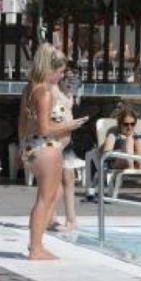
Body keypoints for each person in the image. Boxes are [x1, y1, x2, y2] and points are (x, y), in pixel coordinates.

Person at [18, 43, 88, 260]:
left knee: (54, 194)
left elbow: (23, 122)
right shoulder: (44, 93)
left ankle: (36, 240)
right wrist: (70, 125)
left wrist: (22, 147)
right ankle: (35, 247)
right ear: (49, 69)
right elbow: (45, 129)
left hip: (32, 146)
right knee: (45, 198)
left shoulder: (29, 88)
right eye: (59, 72)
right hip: (45, 148)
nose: (61, 76)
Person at [49, 68, 81, 233]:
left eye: (73, 78)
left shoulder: (69, 94)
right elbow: (55, 119)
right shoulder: (54, 91)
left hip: (66, 142)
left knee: (69, 179)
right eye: (67, 77)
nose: (70, 81)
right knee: (54, 182)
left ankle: (71, 218)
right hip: (54, 142)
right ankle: (51, 218)